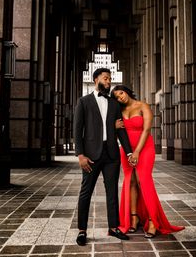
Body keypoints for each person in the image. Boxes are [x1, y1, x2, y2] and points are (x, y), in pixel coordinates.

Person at [111, 85, 185, 238]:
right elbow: (116, 131)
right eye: (117, 97)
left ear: (126, 91)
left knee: (143, 181)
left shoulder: (143, 105)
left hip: (144, 148)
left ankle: (152, 220)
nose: (121, 97)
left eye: (121, 93)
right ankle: (134, 218)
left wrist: (137, 151)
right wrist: (128, 150)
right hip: (126, 150)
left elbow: (146, 130)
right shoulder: (119, 111)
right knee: (130, 181)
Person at [74, 69, 133, 246]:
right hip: (91, 155)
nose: (108, 82)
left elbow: (120, 128)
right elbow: (77, 131)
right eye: (105, 78)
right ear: (95, 80)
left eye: (110, 79)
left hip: (112, 154)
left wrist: (129, 152)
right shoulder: (83, 102)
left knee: (112, 191)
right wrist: (80, 154)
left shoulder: (114, 104)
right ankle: (82, 230)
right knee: (86, 192)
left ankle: (114, 227)